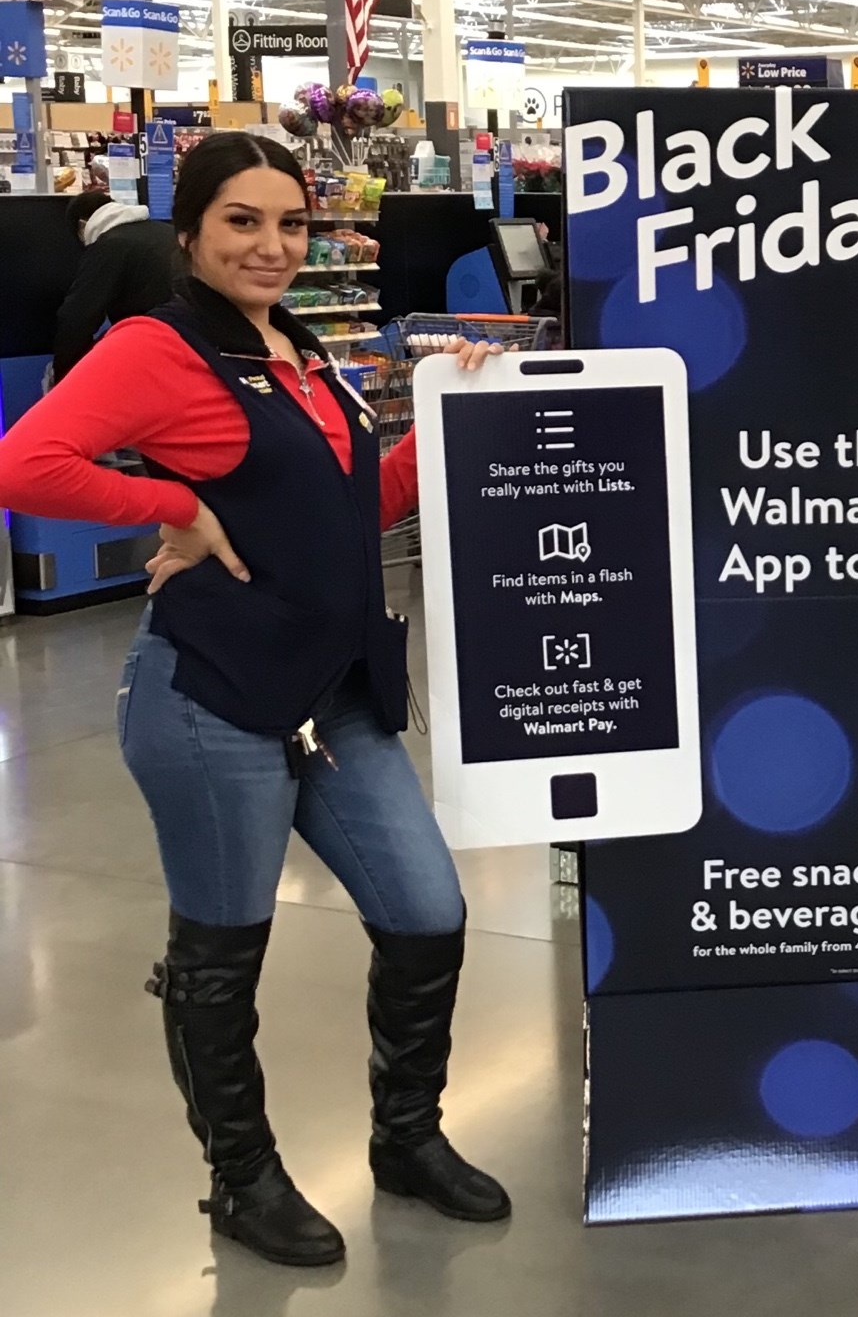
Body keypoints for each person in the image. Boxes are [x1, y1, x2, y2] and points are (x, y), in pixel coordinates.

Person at [0, 132, 510, 1269]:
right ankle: (242, 1177)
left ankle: (406, 1136)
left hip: (335, 692)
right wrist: (174, 505)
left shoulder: (304, 350)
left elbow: (354, 505)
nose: (272, 245)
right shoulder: (158, 346)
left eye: (291, 224)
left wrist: (452, 417)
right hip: (211, 700)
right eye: (242, 220)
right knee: (224, 949)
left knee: (427, 911)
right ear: (188, 232)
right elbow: (21, 462)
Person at [52, 191, 183, 380]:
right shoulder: (168, 233)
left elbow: (77, 317)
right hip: (195, 345)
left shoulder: (109, 246)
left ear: (82, 226)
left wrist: (64, 379)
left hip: (153, 349)